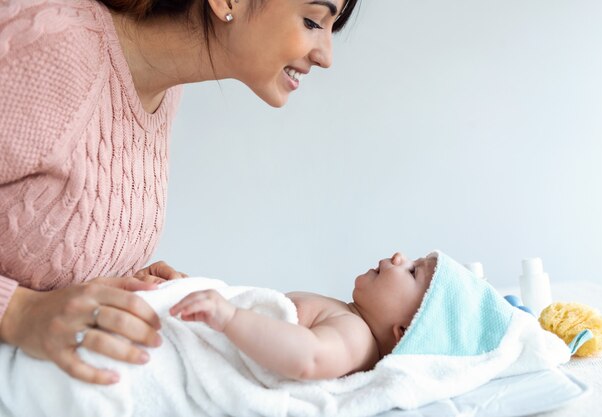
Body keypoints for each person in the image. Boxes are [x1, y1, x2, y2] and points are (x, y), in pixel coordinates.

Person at [0, 0, 359, 385]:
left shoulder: (165, 88)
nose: (326, 57)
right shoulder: (48, 45)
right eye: (312, 21)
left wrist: (125, 278)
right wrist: (17, 311)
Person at [170, 252, 436, 379]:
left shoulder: (356, 337)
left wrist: (227, 317)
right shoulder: (349, 317)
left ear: (404, 330)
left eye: (413, 271)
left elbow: (308, 357)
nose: (401, 257)